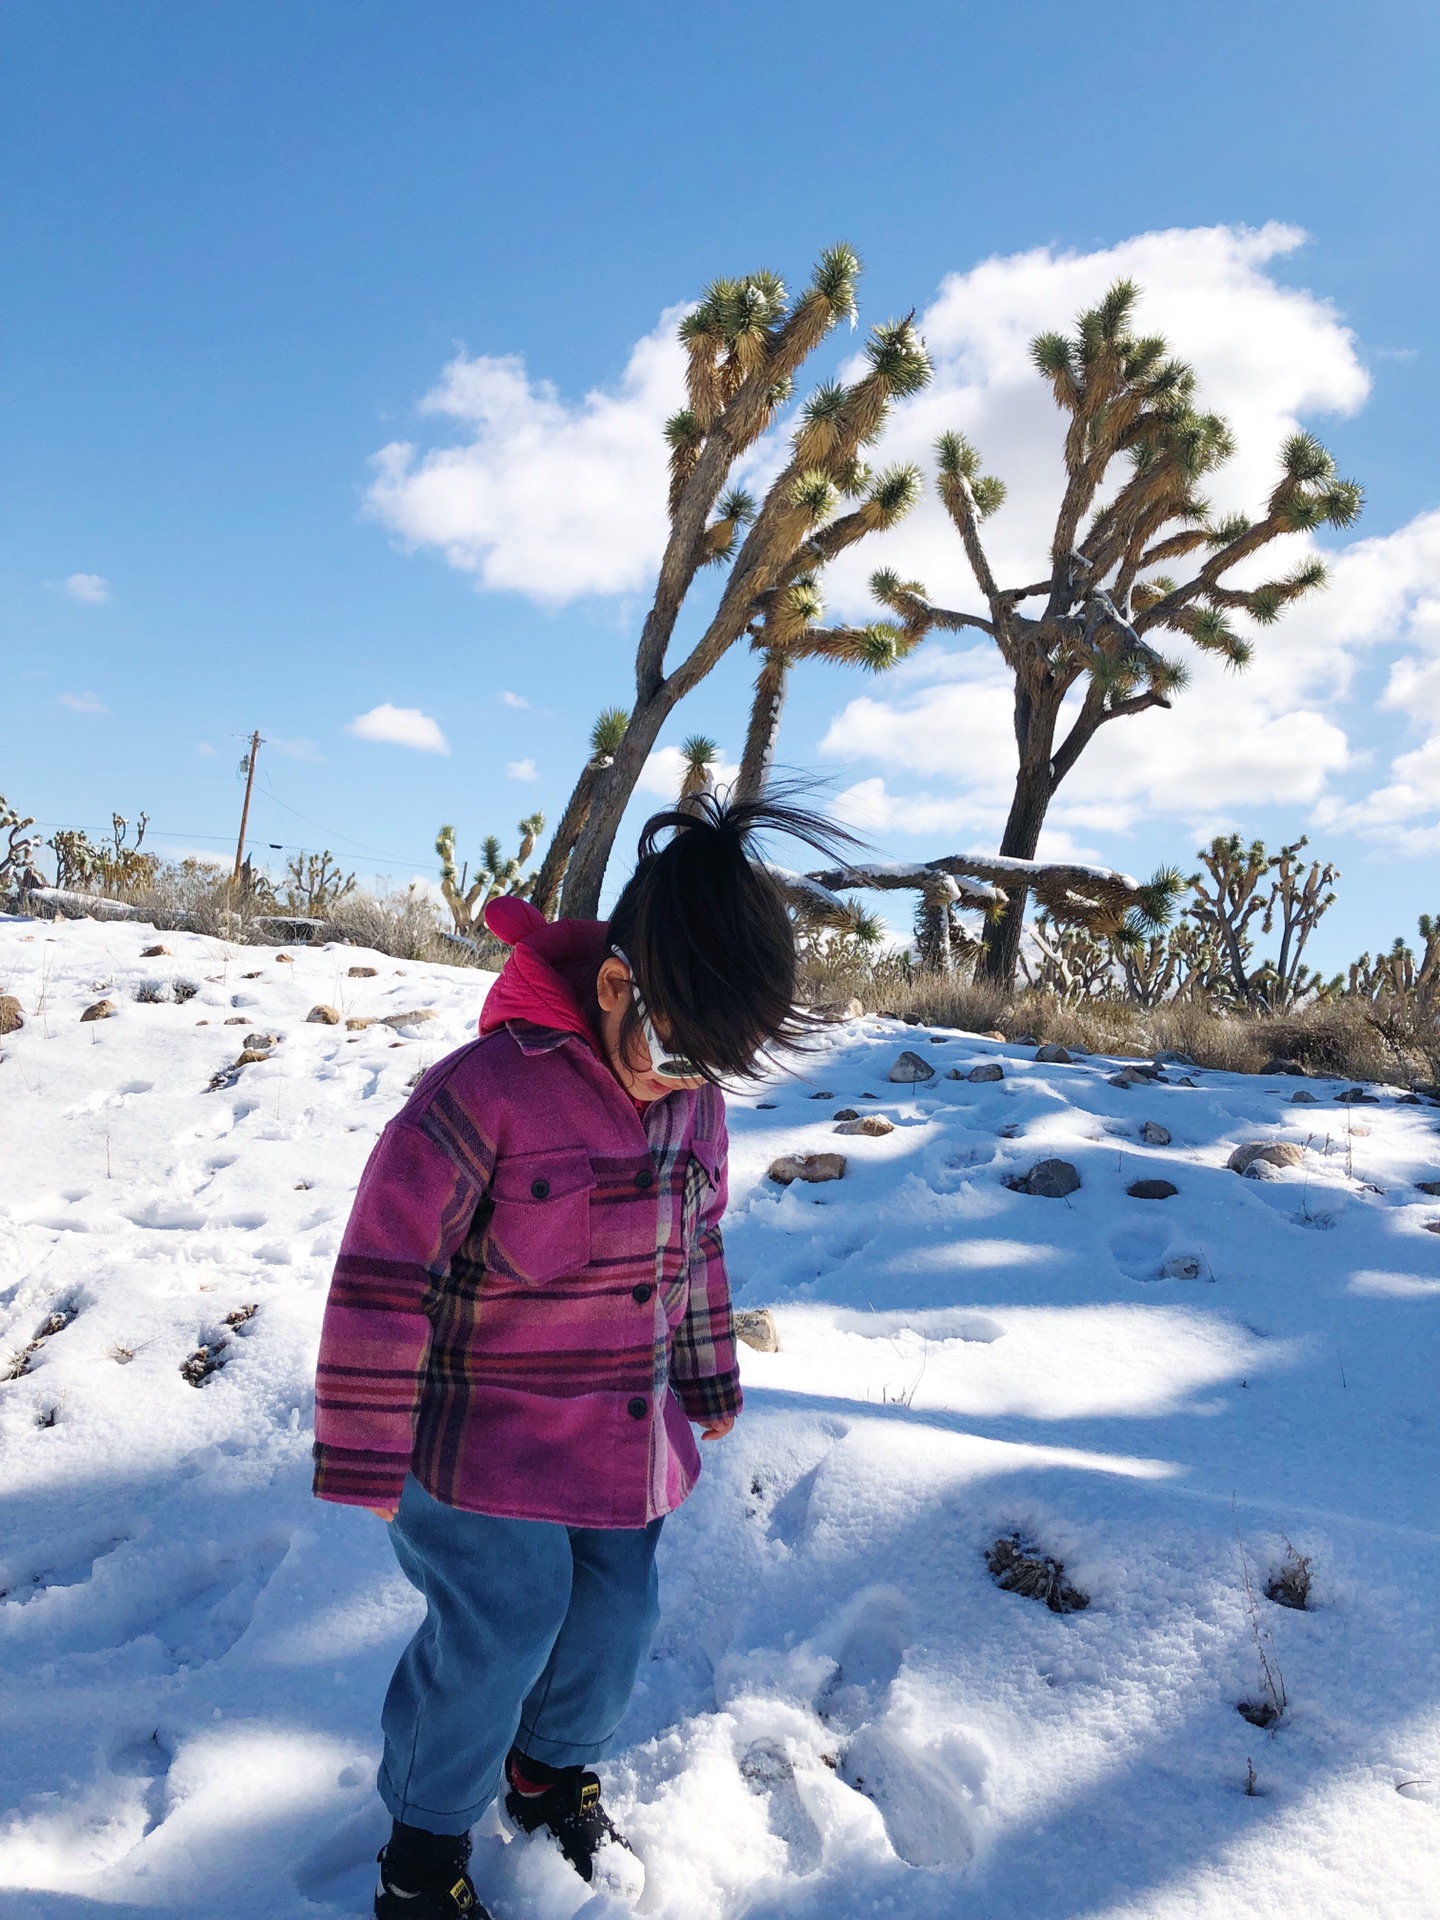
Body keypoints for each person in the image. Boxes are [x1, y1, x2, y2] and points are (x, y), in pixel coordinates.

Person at [311, 791, 847, 1920]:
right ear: (616, 988)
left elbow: (694, 1245)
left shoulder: (692, 1109)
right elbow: (381, 1269)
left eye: (714, 1067)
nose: (683, 1081)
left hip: (612, 1439)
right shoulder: (486, 1093)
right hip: (471, 1445)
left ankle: (546, 1772)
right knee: (502, 1624)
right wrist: (363, 1447)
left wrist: (706, 1371)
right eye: (672, 1049)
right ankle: (419, 1857)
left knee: (616, 1619)